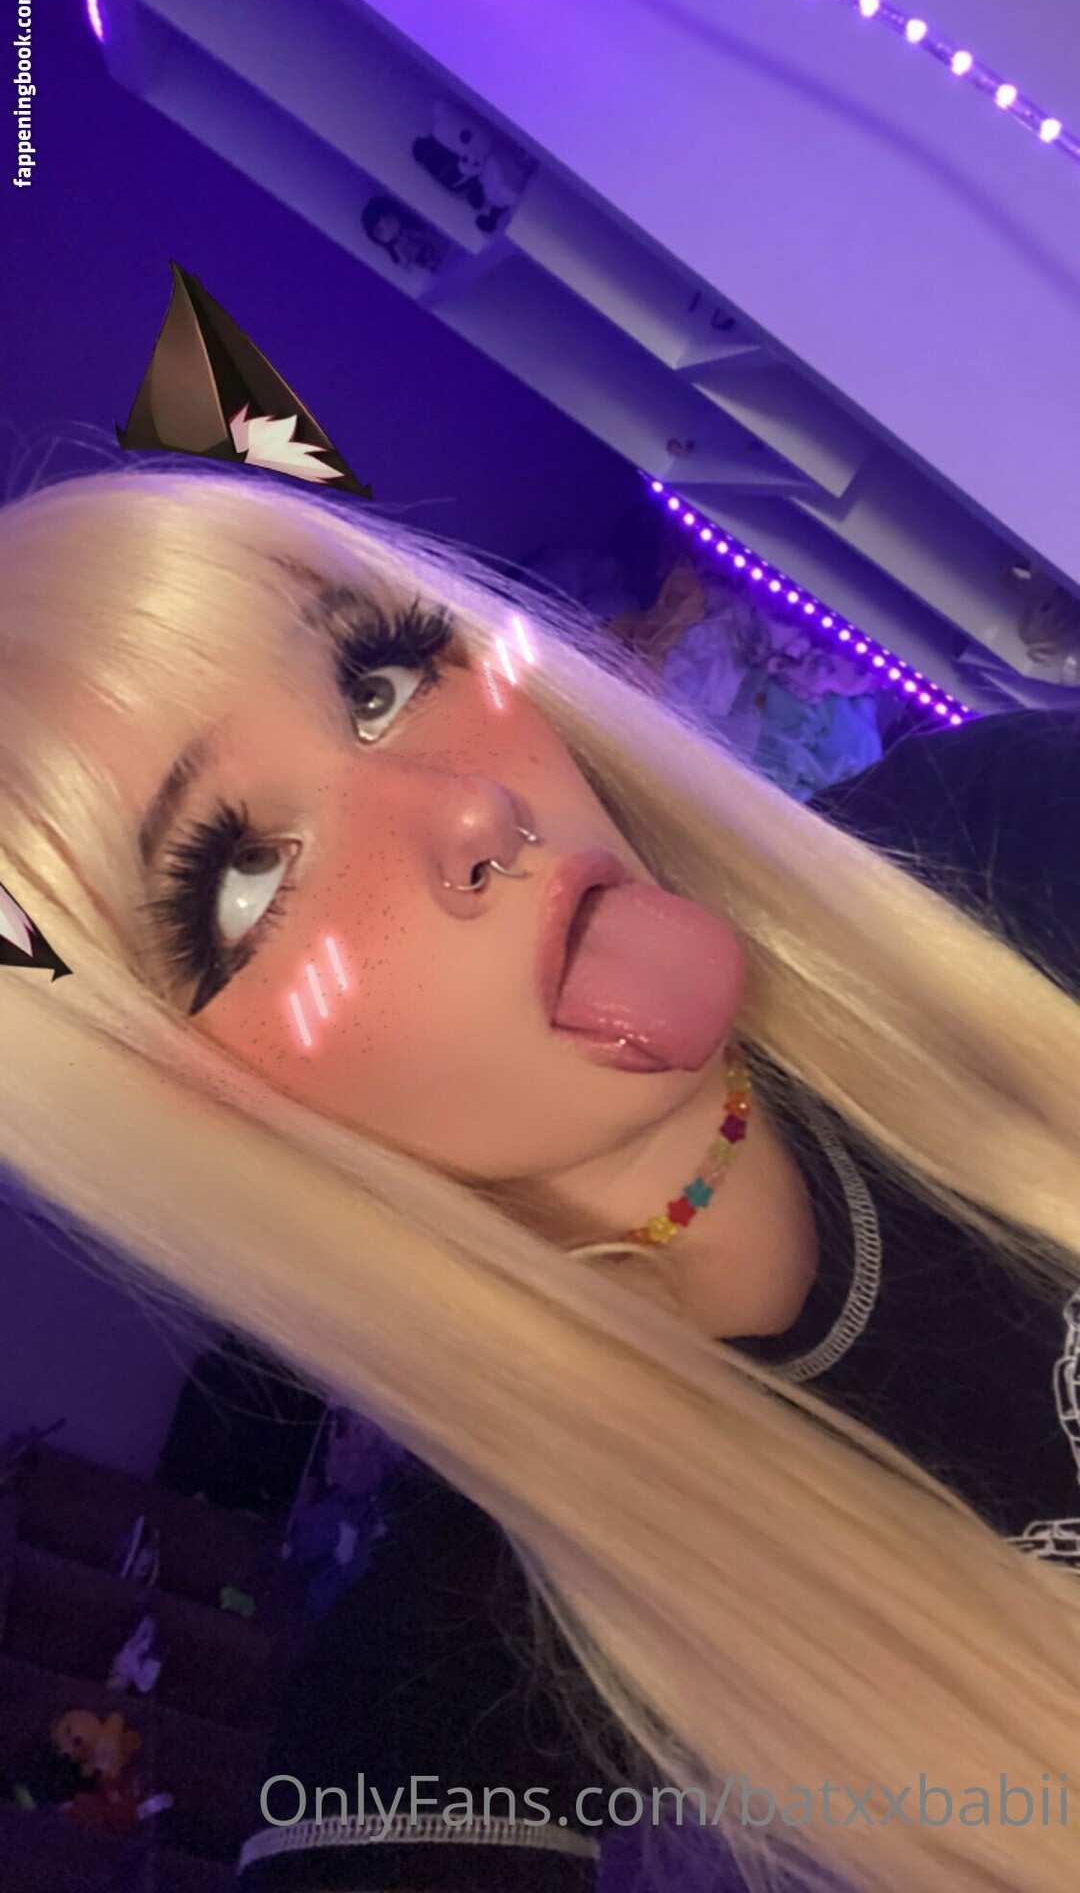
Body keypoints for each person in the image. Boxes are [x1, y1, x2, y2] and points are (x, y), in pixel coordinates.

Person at [1, 459, 1079, 1893]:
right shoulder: (445, 1697)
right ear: (190, 1124)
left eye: (378, 682)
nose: (466, 810)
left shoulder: (1001, 842)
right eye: (243, 881)